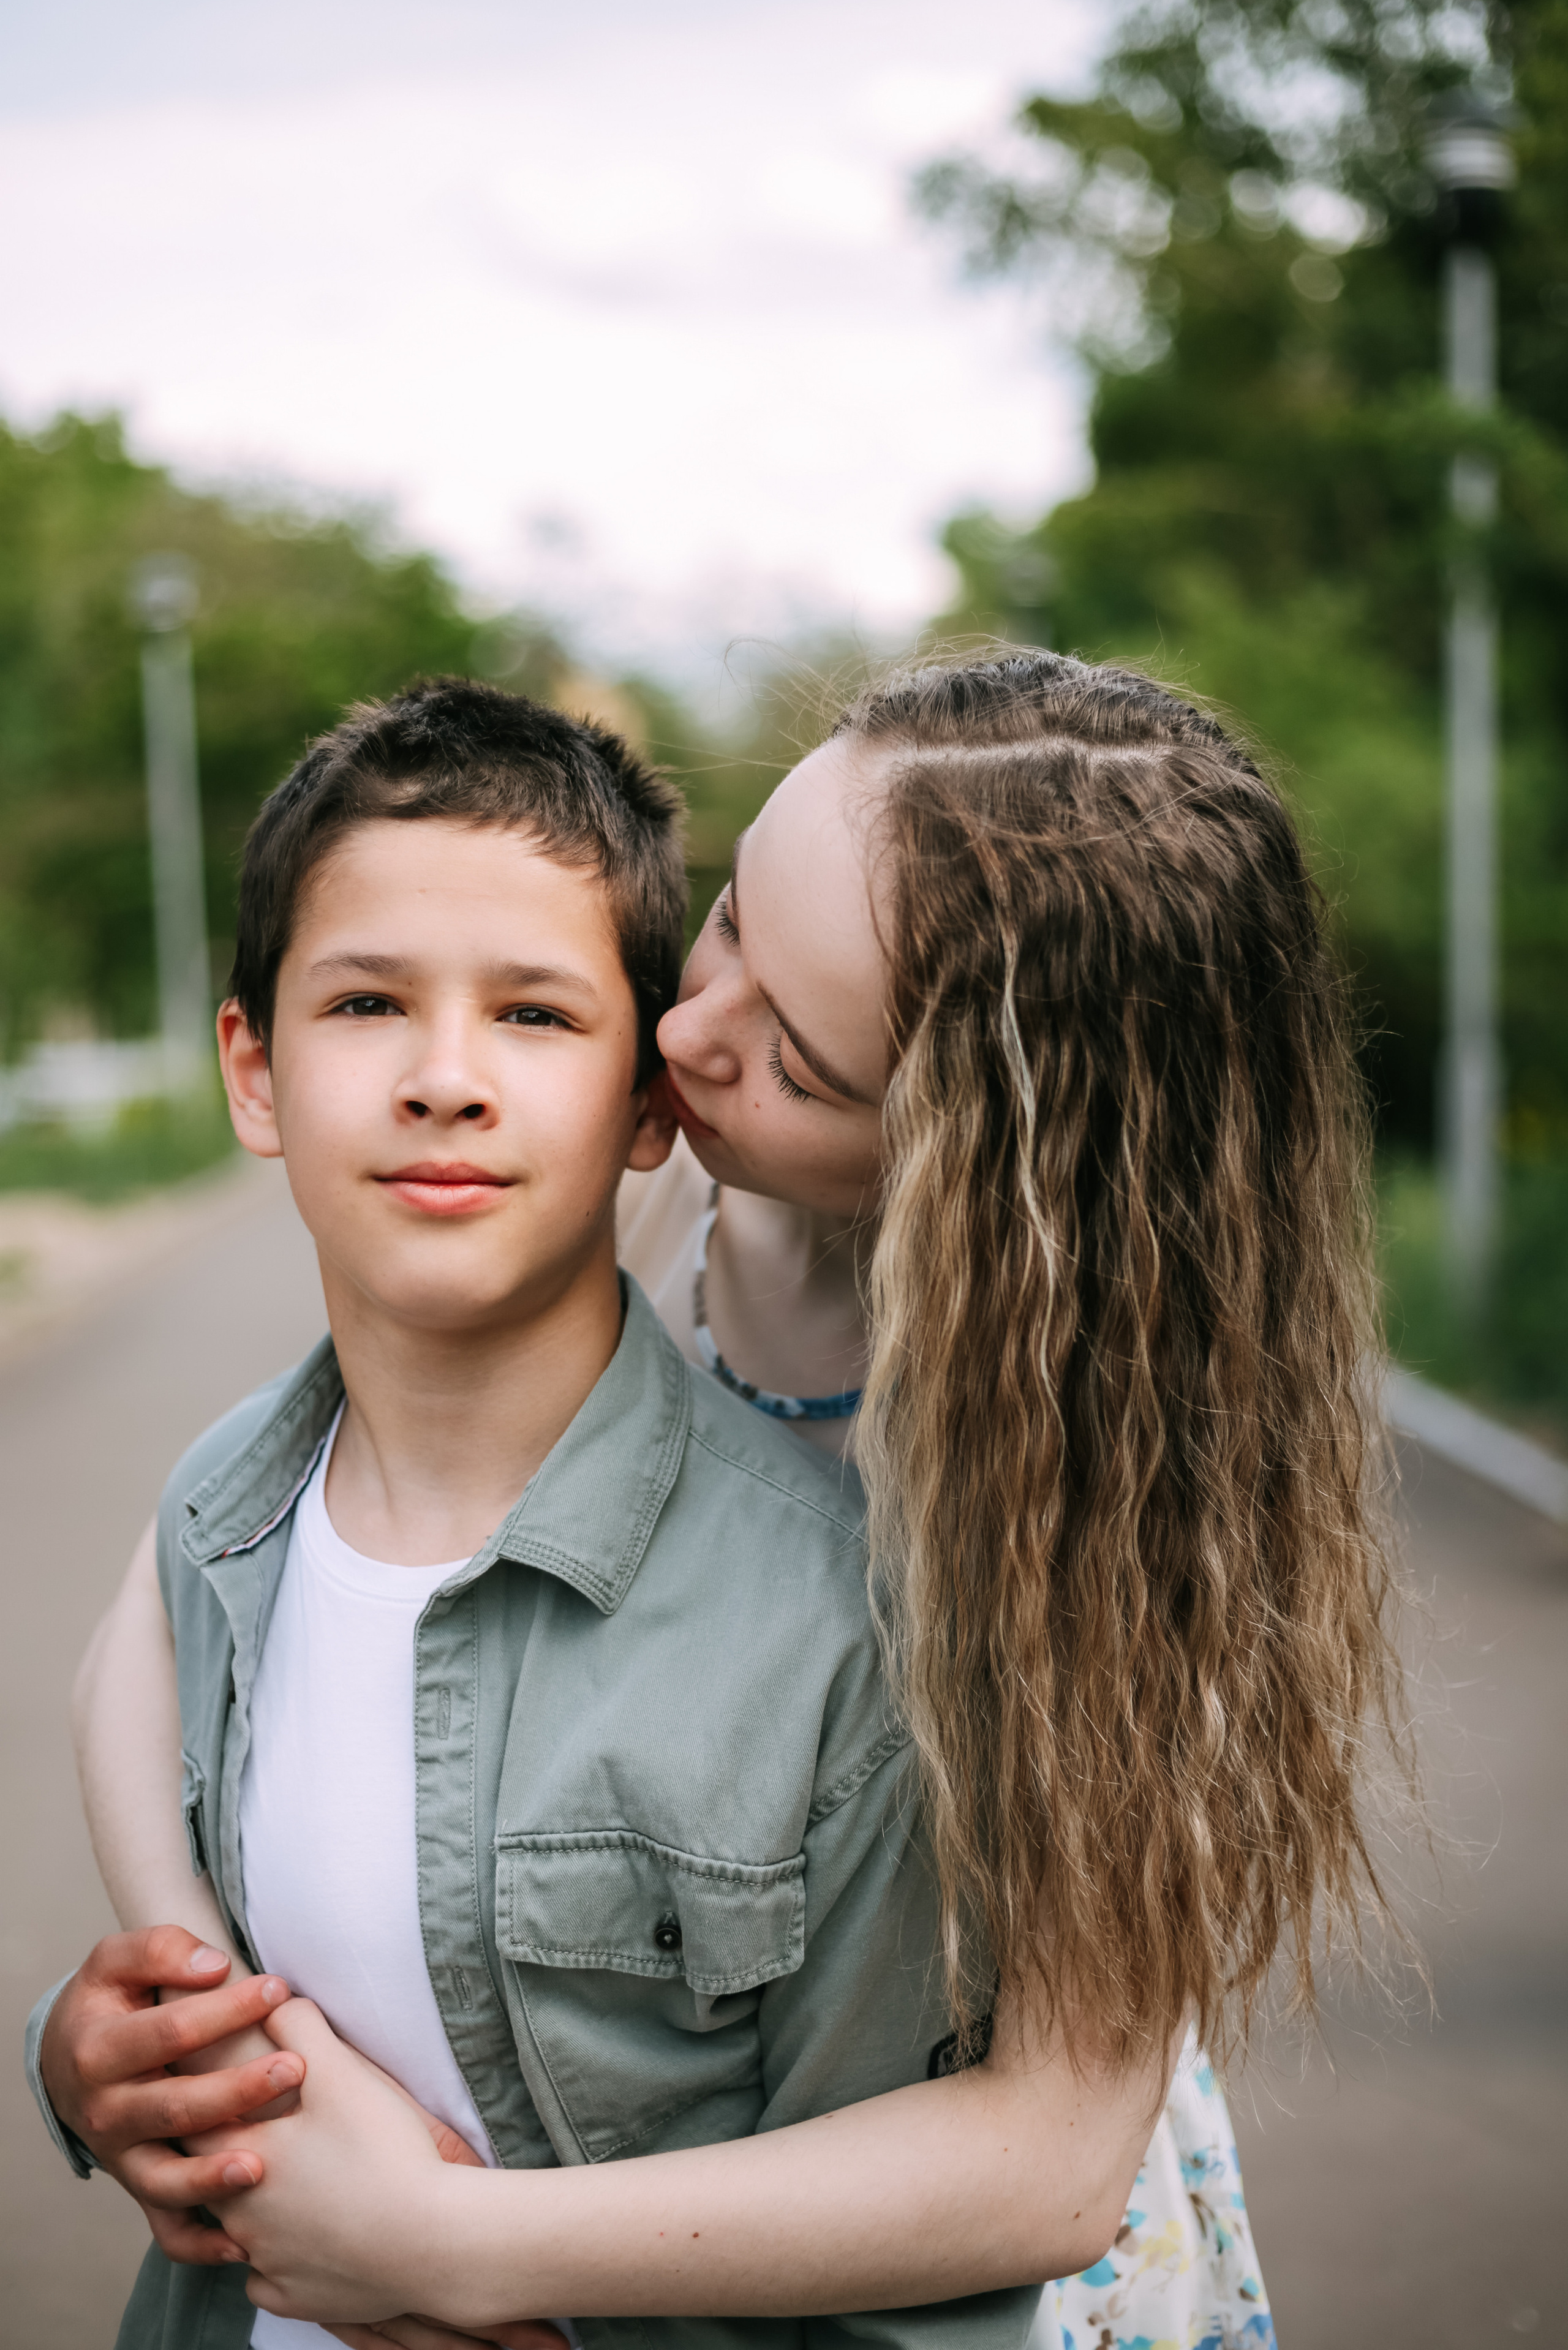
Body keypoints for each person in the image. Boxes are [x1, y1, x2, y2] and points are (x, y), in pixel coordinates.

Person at [37, 651, 1406, 2346]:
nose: (681, 1037)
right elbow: (178, 1604)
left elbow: (1046, 2162)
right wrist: (215, 2059)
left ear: (969, 1154)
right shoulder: (647, 1183)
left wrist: (455, 2247)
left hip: (893, 2213)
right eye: (737, 917)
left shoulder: (1106, 1478)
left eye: (800, 1060)